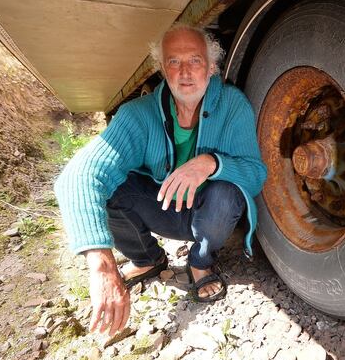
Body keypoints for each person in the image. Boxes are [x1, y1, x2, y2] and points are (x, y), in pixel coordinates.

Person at [54, 24, 267, 336]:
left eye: (194, 61)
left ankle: (200, 261)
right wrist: (101, 265)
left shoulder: (233, 106)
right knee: (115, 185)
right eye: (174, 62)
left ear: (211, 67)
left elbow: (255, 173)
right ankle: (148, 259)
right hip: (164, 208)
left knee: (227, 192)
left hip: (209, 214)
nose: (184, 72)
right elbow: (77, 177)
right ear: (162, 70)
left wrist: (209, 164)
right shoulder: (138, 115)